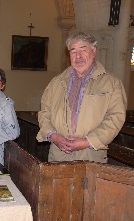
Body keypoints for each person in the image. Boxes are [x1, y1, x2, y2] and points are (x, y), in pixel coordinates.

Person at [36, 31, 127, 163]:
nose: (78, 56)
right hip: (59, 154)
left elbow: (115, 117)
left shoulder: (111, 83)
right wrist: (53, 136)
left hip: (91, 155)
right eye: (73, 51)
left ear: (94, 51)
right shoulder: (56, 82)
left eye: (83, 50)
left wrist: (87, 142)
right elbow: (44, 112)